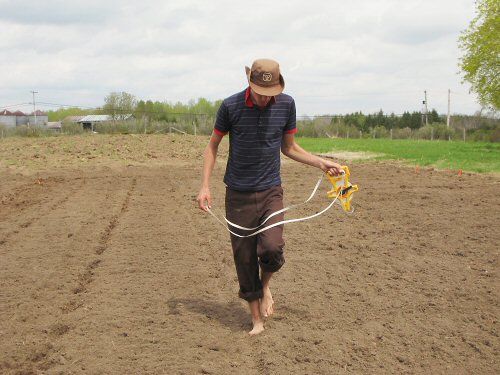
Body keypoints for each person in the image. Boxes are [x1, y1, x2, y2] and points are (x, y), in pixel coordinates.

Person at [196, 58, 343, 336]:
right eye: (261, 93)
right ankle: (256, 320)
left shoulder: (286, 105)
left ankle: (265, 287)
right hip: (237, 194)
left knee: (272, 248)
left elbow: (289, 147)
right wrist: (205, 186)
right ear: (249, 83)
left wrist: (321, 163)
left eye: (271, 94)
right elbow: (212, 146)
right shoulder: (231, 106)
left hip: (270, 191)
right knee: (245, 258)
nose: (266, 99)